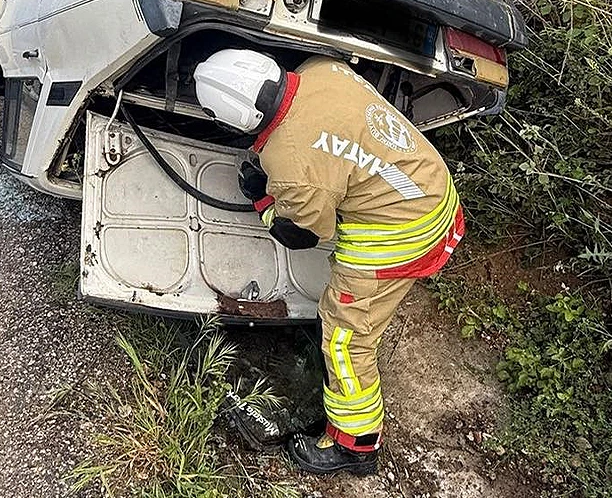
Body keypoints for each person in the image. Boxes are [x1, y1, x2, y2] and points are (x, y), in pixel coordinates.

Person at [194, 50, 465, 476]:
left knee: (345, 338)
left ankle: (356, 445)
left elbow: (302, 235)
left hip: (402, 235)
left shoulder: (291, 164)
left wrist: (263, 199)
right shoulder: (321, 69)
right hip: (432, 189)